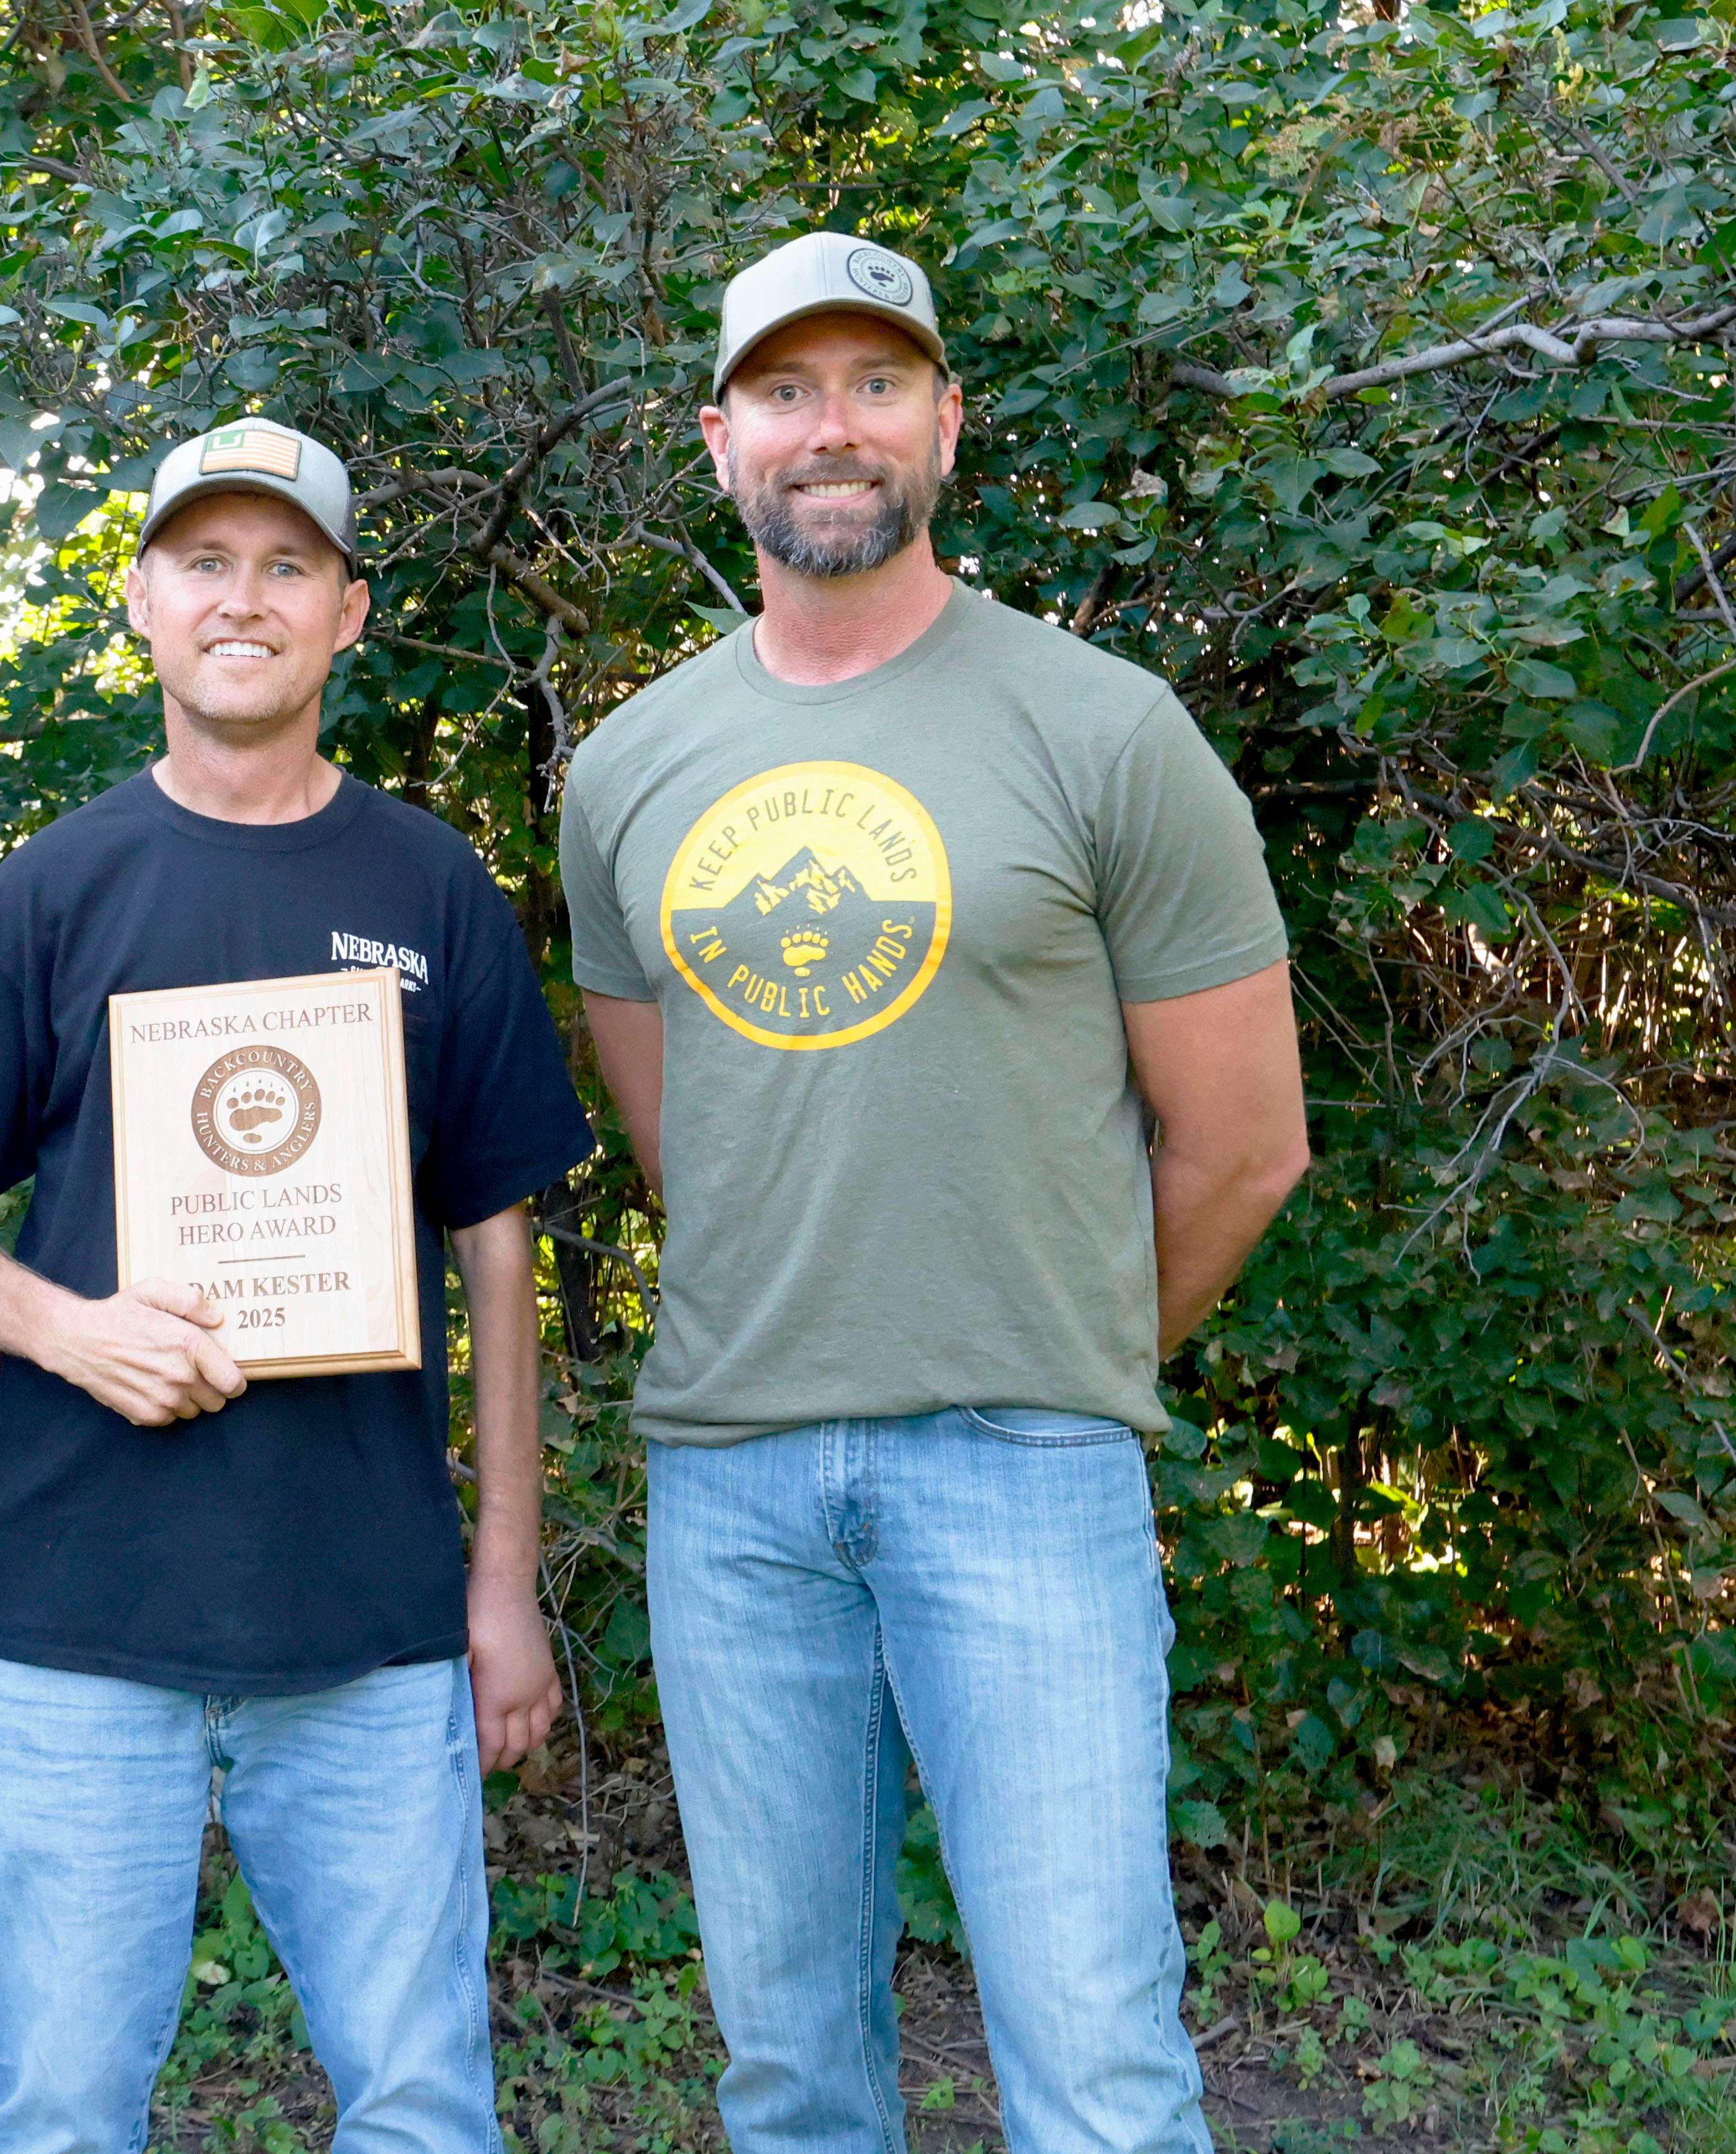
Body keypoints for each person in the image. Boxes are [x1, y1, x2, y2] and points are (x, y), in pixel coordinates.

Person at [559, 231, 1310, 2154]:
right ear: (718, 440)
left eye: (878, 385)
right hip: (732, 1483)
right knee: (793, 2071)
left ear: (947, 425)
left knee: (1097, 2071)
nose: (836, 430)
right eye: (790, 393)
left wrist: (1060, 1356)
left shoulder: (1107, 730)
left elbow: (1241, 1146)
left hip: (1024, 1471)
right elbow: (682, 1131)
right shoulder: (631, 768)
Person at [0, 418, 591, 2153]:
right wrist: (58, 1340)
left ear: (348, 613)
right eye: (204, 563)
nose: (242, 601)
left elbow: (496, 1247)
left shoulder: (432, 889)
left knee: (422, 2104)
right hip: (87, 1611)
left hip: (370, 1617)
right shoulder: (55, 889)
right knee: (57, 2111)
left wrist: (502, 1580)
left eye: (286, 567)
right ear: (140, 602)